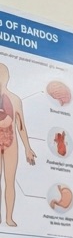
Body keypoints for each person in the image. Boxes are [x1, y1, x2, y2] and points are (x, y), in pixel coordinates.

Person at [0, 62, 37, 226]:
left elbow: (21, 126)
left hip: (11, 143)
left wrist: (28, 148)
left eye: (2, 75)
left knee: (10, 181)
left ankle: (8, 217)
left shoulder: (15, 100)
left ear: (7, 78)